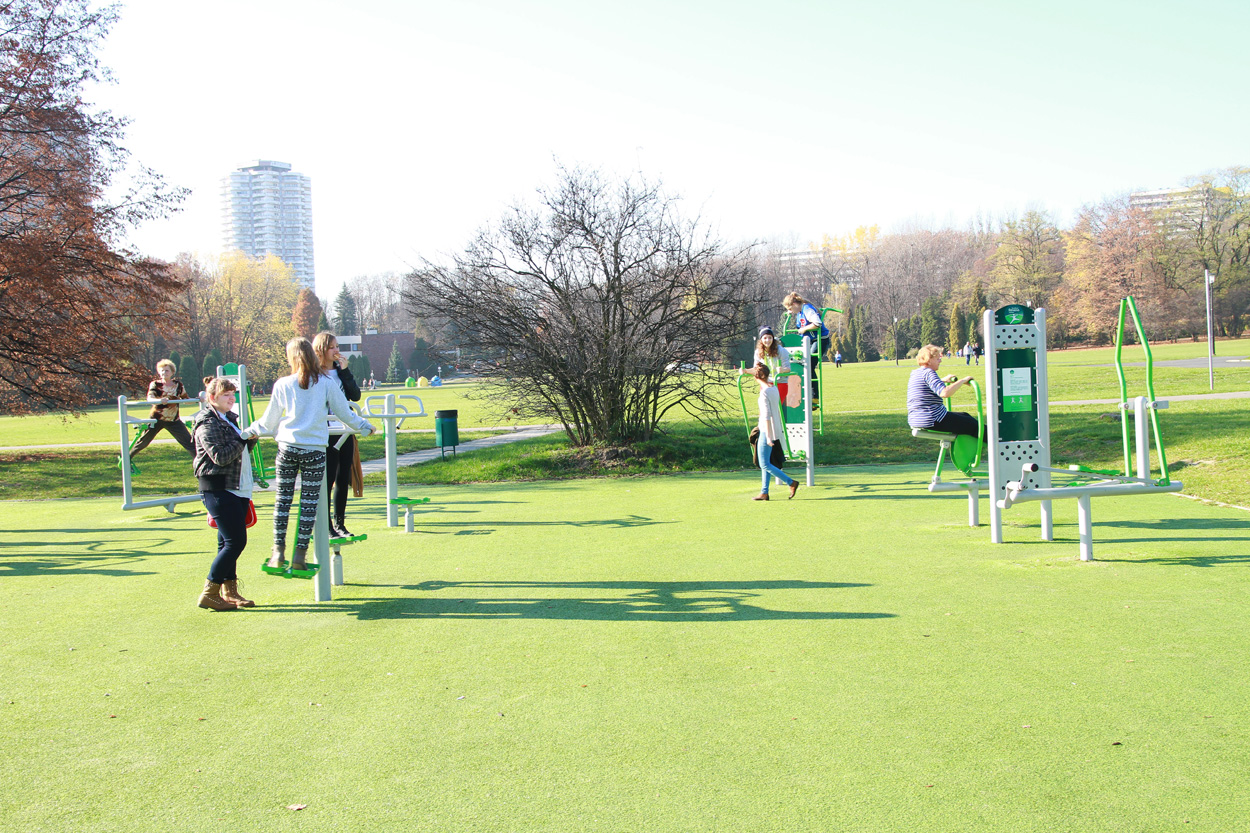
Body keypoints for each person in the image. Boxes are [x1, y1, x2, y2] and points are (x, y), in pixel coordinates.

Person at [243, 337, 377, 573]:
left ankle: (278, 552)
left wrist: (249, 431)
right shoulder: (325, 382)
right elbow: (345, 413)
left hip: (287, 447)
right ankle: (300, 555)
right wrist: (365, 426)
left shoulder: (283, 384)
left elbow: (268, 421)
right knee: (309, 504)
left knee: (282, 501)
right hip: (314, 449)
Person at [192, 376, 259, 611]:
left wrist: (249, 440)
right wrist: (242, 438)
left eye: (232, 394)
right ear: (212, 398)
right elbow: (220, 457)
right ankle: (209, 592)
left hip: (237, 487)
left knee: (225, 543)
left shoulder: (228, 418)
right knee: (235, 541)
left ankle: (229, 592)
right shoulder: (207, 422)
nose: (231, 398)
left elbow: (239, 451)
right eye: (226, 395)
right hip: (218, 487)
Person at [313, 331, 362, 538]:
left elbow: (355, 396)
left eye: (337, 346)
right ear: (321, 350)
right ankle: (326, 526)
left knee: (343, 477)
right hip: (326, 431)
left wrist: (346, 371)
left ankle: (340, 523)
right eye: (331, 347)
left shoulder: (340, 371)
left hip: (344, 428)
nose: (336, 351)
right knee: (328, 477)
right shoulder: (314, 373)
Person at [906, 344, 978, 438]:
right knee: (974, 425)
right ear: (929, 360)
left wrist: (942, 380)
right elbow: (945, 393)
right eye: (937, 359)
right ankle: (994, 442)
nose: (940, 361)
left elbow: (925, 385)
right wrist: (963, 381)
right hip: (932, 418)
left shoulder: (916, 373)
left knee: (965, 415)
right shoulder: (929, 373)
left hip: (916, 418)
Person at [751, 363, 799, 501]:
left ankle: (791, 482)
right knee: (766, 462)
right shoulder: (774, 388)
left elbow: (766, 415)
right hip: (774, 428)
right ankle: (764, 492)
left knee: (764, 464)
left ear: (756, 378)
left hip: (767, 430)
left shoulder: (764, 393)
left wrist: (768, 437)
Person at [131, 359, 194, 458]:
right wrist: (159, 400)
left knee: (189, 443)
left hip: (173, 420)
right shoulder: (155, 384)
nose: (164, 372)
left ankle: (202, 463)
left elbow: (186, 400)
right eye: (162, 370)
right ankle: (126, 459)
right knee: (143, 442)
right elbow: (150, 398)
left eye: (167, 370)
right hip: (156, 419)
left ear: (172, 372)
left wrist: (199, 399)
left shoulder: (178, 385)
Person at [782, 292, 829, 405]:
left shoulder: (807, 309)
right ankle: (804, 393)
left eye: (790, 308)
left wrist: (805, 329)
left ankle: (814, 396)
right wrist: (789, 313)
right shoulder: (799, 312)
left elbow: (817, 323)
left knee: (809, 364)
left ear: (794, 304)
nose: (791, 311)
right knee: (802, 364)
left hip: (819, 339)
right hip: (809, 341)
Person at [749, 326, 792, 405]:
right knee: (765, 407)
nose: (767, 340)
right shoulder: (758, 352)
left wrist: (783, 370)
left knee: (775, 408)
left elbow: (788, 369)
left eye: (770, 338)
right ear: (761, 340)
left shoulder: (781, 351)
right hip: (766, 382)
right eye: (765, 338)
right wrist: (745, 371)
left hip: (780, 382)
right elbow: (756, 369)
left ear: (773, 339)